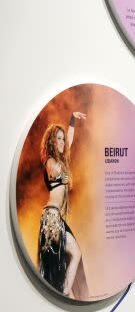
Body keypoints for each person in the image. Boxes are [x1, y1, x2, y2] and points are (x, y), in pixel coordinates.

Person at [38, 112, 90, 298]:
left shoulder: (61, 160)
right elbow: (53, 171)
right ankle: (64, 293)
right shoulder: (51, 162)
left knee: (72, 256)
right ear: (52, 142)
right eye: (57, 139)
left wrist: (72, 120)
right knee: (72, 254)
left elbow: (69, 141)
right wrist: (62, 165)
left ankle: (65, 293)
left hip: (56, 218)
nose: (62, 142)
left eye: (62, 139)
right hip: (51, 218)